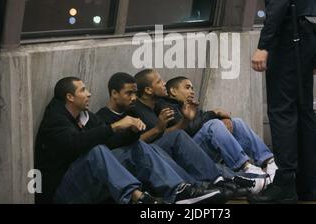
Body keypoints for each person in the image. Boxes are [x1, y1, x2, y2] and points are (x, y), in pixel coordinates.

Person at [35, 76, 222, 204]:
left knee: (137, 146)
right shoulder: (55, 120)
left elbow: (112, 141)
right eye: (83, 90)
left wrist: (131, 131)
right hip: (63, 192)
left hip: (88, 180)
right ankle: (138, 198)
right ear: (69, 97)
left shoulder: (85, 116)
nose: (89, 93)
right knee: (97, 151)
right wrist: (115, 126)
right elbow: (74, 144)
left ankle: (182, 190)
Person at [247, 0, 316, 203]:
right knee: (305, 112)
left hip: (288, 43)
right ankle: (309, 187)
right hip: (307, 42)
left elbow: (277, 4)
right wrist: (315, 53)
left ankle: (284, 185)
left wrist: (263, 46)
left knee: (282, 112)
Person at [96, 72, 252, 200]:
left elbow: (163, 135)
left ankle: (221, 181)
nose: (133, 97)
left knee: (182, 144)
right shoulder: (103, 117)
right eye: (129, 93)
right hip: (133, 163)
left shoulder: (140, 109)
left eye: (134, 93)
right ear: (114, 94)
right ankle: (202, 186)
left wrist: (184, 120)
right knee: (157, 146)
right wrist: (157, 129)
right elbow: (119, 150)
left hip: (158, 155)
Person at [132, 69, 268, 195]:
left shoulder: (157, 106)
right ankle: (245, 171)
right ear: (148, 90)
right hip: (167, 159)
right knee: (212, 127)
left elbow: (173, 131)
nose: (164, 83)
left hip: (184, 150)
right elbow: (145, 143)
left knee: (234, 124)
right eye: (159, 81)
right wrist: (212, 113)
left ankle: (265, 166)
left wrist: (221, 116)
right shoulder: (146, 108)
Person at [161, 76, 277, 182]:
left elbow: (202, 120)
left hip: (202, 150)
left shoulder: (189, 106)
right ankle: (245, 167)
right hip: (185, 157)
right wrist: (214, 113)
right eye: (187, 88)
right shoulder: (167, 107)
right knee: (214, 125)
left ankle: (268, 161)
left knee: (236, 123)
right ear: (173, 91)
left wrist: (224, 117)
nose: (192, 91)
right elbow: (188, 130)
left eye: (192, 88)